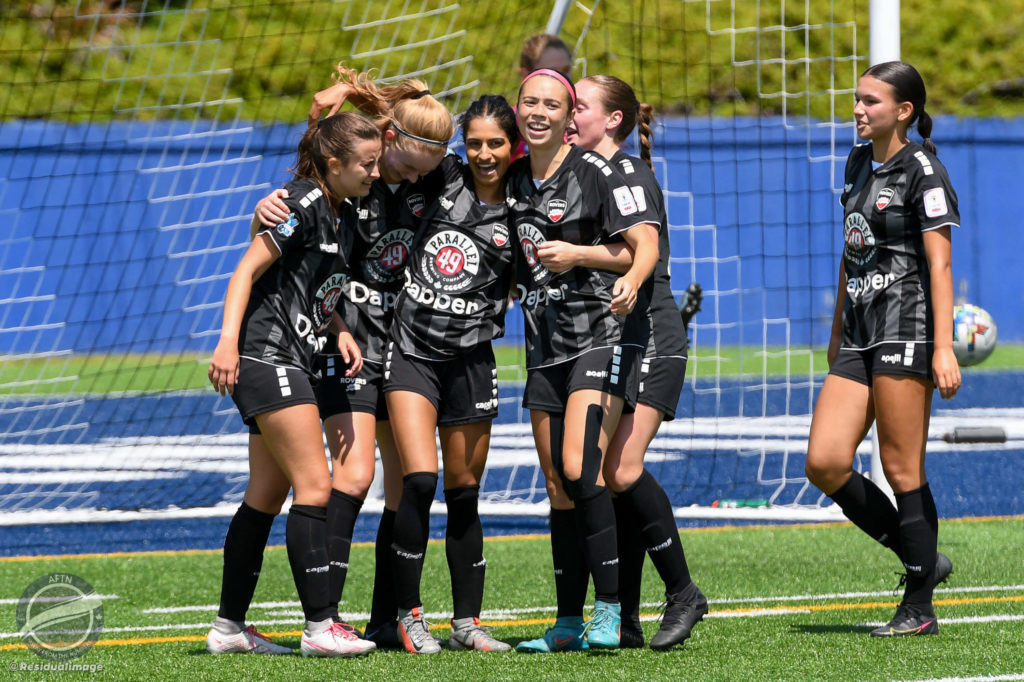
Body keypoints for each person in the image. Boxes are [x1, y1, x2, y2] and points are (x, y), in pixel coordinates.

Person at [254, 64, 454, 650]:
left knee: (408, 480)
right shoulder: (350, 179)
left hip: (406, 344)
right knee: (355, 474)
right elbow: (315, 166)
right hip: (347, 342)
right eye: (407, 167)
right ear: (387, 141)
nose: (414, 178)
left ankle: (386, 617)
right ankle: (325, 618)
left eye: (425, 172)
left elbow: (498, 157)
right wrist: (267, 207)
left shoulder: (432, 173)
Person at [206, 111, 382, 657]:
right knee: (315, 487)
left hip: (286, 357)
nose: (375, 172)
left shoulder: (341, 210)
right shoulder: (303, 201)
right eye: (367, 164)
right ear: (334, 162)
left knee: (265, 495)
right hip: (268, 357)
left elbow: (308, 287)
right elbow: (246, 270)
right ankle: (321, 627)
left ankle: (228, 629)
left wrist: (339, 328)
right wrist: (227, 342)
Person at [549, 74, 706, 651]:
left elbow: (646, 247)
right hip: (622, 336)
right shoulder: (586, 170)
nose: (569, 115)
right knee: (609, 478)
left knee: (620, 471)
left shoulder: (625, 171)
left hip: (653, 335)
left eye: (580, 106)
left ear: (613, 119)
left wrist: (578, 255)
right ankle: (629, 620)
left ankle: (684, 592)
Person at [506, 68, 661, 653]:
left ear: (567, 114)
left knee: (581, 466)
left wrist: (592, 261)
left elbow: (640, 247)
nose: (540, 112)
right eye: (530, 102)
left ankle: (611, 611)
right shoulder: (511, 178)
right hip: (542, 344)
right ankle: (568, 621)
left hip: (599, 334)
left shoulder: (597, 170)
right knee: (556, 485)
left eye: (553, 104)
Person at [804, 61, 959, 636]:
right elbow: (852, 250)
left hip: (906, 329)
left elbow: (939, 265)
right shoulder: (856, 163)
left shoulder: (924, 171)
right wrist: (836, 328)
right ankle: (922, 558)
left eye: (871, 101)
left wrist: (943, 348)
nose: (858, 109)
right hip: (858, 334)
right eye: (857, 98)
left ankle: (919, 608)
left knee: (900, 466)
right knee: (824, 462)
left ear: (904, 111)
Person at [383, 95, 518, 654]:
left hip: (472, 360)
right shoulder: (443, 176)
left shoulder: (527, 204)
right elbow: (397, 138)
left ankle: (467, 623)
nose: (484, 154)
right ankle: (408, 615)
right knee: (419, 480)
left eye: (496, 143)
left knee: (464, 493)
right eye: (475, 143)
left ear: (514, 147)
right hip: (412, 351)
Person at [513, 34, 575, 162]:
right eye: (552, 71)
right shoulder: (507, 125)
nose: (561, 77)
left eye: (566, 70)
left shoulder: (581, 121)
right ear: (526, 74)